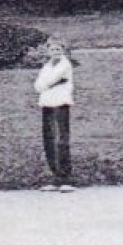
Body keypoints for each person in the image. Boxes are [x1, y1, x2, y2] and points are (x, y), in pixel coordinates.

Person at [33, 39, 77, 192]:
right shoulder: (46, 66)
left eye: (58, 49)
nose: (56, 52)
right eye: (53, 50)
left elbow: (49, 82)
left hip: (60, 103)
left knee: (61, 140)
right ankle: (55, 176)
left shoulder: (65, 65)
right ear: (48, 52)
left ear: (63, 51)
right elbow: (38, 86)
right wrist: (45, 86)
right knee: (49, 139)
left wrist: (46, 85)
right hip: (47, 103)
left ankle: (66, 178)